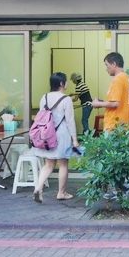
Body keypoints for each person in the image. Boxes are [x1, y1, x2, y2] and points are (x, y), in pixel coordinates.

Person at [32, 72, 79, 203]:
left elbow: (42, 117)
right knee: (63, 164)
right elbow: (70, 120)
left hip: (47, 134)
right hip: (62, 134)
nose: (67, 83)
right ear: (61, 84)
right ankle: (61, 193)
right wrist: (74, 139)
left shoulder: (44, 97)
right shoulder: (66, 99)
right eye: (66, 81)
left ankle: (38, 188)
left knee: (48, 164)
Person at [91, 52, 129, 132]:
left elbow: (115, 103)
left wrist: (98, 104)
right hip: (123, 125)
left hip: (114, 126)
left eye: (107, 65)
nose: (106, 68)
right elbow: (120, 101)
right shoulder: (126, 78)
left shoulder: (118, 79)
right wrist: (103, 102)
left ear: (114, 64)